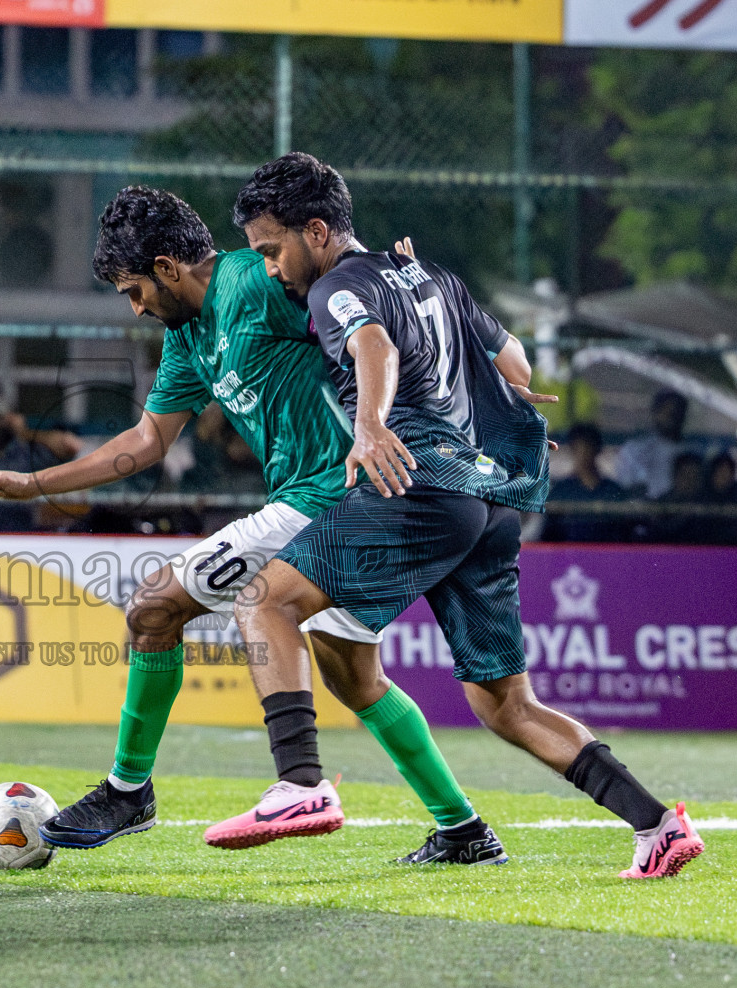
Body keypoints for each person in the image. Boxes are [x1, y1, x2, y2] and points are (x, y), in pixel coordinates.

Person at [0, 185, 507, 865]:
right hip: (331, 504)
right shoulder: (187, 340)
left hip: (330, 494)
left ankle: (136, 791)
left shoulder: (254, 280)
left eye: (134, 290)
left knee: (155, 606)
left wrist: (399, 280)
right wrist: (34, 483)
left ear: (167, 268)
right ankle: (463, 830)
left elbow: (355, 306)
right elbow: (144, 443)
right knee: (355, 676)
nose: (135, 307)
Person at [230, 151, 701, 879]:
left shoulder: (340, 288)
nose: (268, 267)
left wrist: (371, 424)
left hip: (415, 484)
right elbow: (517, 366)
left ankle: (299, 783)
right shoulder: (435, 277)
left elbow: (373, 345)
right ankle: (656, 824)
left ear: (317, 231)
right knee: (506, 705)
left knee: (264, 601)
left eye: (271, 249)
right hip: (485, 501)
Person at [0, 393, 77, 533]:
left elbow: (71, 445)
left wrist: (23, 432)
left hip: (20, 528)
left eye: (1, 418)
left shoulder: (25, 451)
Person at [542, 423, 629, 542]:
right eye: (577, 449)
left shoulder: (613, 490)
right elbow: (550, 534)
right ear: (572, 451)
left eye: (588, 447)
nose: (583, 455)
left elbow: (623, 531)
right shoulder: (561, 491)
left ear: (597, 449)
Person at [614, 390, 688, 499]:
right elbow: (625, 486)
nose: (671, 418)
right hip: (642, 512)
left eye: (676, 413)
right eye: (666, 412)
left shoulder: (690, 452)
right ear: (655, 413)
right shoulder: (634, 449)